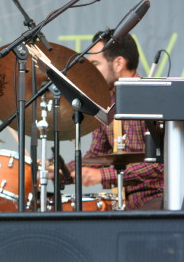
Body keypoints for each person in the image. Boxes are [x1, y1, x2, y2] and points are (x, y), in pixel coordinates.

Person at [64, 29, 164, 210]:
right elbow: (96, 154)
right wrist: (59, 170)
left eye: (96, 64)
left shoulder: (151, 100)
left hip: (155, 199)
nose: (92, 72)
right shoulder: (106, 104)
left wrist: (102, 175)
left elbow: (159, 165)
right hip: (121, 201)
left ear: (118, 63)